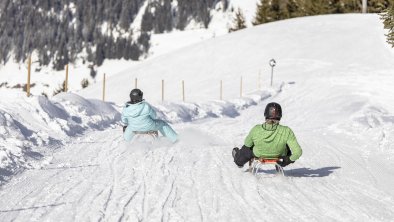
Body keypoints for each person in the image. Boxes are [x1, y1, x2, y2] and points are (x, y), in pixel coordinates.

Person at [232, 102, 302, 168]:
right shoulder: (286, 130)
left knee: (247, 148)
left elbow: (247, 144)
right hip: (279, 154)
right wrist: (288, 160)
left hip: (259, 153)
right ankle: (279, 164)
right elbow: (298, 152)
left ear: (265, 114)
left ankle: (239, 161)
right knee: (285, 144)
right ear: (280, 115)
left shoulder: (256, 129)